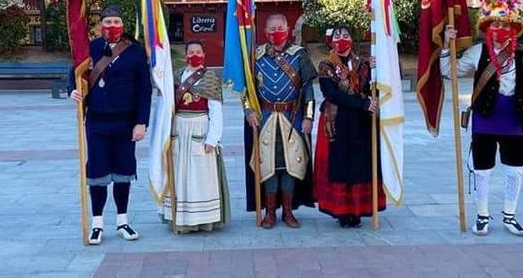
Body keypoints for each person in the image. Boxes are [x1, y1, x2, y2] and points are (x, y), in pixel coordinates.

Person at [441, 0, 523, 237]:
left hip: (514, 120)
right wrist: (445, 45)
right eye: (495, 23)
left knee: (515, 171)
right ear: (487, 26)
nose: (500, 28)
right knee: (482, 170)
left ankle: (510, 215)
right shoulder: (477, 53)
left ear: (514, 27)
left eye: (505, 23)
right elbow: (448, 72)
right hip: (484, 118)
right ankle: (482, 216)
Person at [69, 6, 152, 245]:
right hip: (97, 122)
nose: (112, 26)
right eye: (107, 22)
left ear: (122, 24)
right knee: (97, 173)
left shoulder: (135, 52)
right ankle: (97, 224)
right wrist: (73, 91)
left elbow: (144, 90)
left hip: (126, 123)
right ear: (100, 25)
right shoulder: (90, 48)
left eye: (116, 21)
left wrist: (141, 122)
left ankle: (122, 221)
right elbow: (74, 75)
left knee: (123, 173)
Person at [244, 13, 316, 229]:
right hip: (265, 118)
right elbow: (246, 88)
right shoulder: (256, 56)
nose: (276, 32)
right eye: (272, 29)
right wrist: (248, 111)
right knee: (269, 165)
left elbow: (309, 90)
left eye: (280, 28)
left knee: (290, 165)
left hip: (292, 118)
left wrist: (309, 117)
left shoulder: (299, 55)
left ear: (288, 29)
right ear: (266, 32)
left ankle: (287, 211)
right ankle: (269, 212)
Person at [314, 26, 385, 228]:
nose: (342, 39)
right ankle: (342, 211)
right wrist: (361, 103)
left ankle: (359, 209)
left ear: (352, 39)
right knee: (340, 164)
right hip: (337, 121)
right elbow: (331, 93)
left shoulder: (363, 63)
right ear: (331, 41)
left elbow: (372, 87)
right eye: (337, 36)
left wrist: (375, 70)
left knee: (359, 164)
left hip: (360, 122)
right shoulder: (326, 65)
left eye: (346, 36)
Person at [163, 40, 230, 233]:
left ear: (204, 54)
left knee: (201, 175)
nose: (194, 54)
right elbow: (167, 107)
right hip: (178, 128)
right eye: (190, 52)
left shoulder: (210, 78)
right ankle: (180, 218)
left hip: (200, 127)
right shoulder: (176, 76)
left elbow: (216, 111)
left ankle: (204, 218)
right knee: (179, 174)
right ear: (185, 55)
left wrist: (212, 139)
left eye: (197, 51)